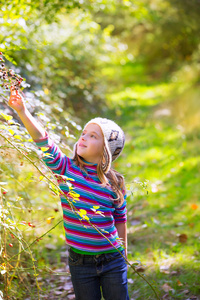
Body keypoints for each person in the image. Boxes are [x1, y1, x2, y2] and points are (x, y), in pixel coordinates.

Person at [8, 88, 129, 300]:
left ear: (106, 152)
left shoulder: (115, 182)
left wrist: (124, 251)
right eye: (84, 133)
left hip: (113, 259)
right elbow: (43, 140)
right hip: (80, 263)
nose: (83, 138)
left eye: (93, 136)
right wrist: (23, 112)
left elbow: (120, 218)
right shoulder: (66, 169)